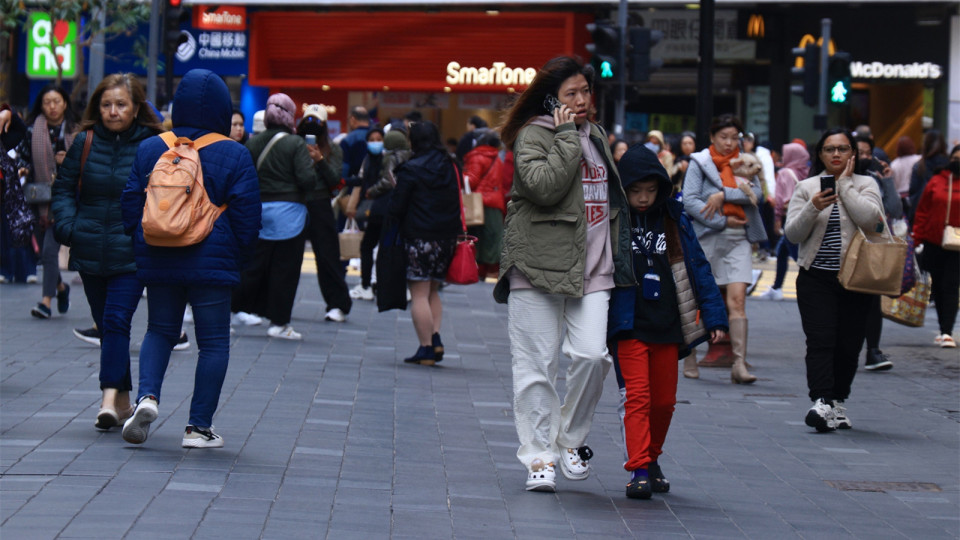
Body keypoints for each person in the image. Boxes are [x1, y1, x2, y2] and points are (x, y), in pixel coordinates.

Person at [495, 56, 634, 493]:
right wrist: (566, 137)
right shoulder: (534, 134)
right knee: (536, 366)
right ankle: (539, 456)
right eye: (571, 93)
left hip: (593, 267)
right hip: (537, 264)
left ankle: (569, 438)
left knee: (593, 356)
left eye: (585, 91)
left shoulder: (597, 135)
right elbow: (543, 187)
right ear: (552, 99)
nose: (581, 100)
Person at [119, 69, 261, 448]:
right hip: (212, 262)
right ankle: (198, 428)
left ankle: (147, 397)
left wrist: (141, 243)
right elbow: (248, 217)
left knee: (159, 330)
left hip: (159, 256)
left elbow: (130, 203)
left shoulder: (151, 148)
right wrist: (239, 257)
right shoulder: (235, 153)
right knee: (213, 342)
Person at [608, 144, 727, 499]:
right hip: (628, 324)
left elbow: (699, 267)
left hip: (669, 325)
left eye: (650, 190)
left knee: (663, 402)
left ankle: (652, 459)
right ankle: (639, 469)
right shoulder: (613, 220)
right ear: (623, 189)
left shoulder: (674, 218)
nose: (643, 198)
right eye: (635, 190)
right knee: (637, 398)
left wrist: (715, 317)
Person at [50, 73, 162, 430]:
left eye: (121, 105)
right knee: (108, 324)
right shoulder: (85, 142)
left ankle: (108, 399)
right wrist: (69, 227)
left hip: (131, 251)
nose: (113, 111)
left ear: (136, 108)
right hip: (89, 247)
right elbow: (63, 190)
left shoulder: (153, 145)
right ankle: (125, 402)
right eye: (106, 105)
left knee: (115, 321)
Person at [785, 128, 885, 432]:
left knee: (849, 344)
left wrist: (845, 186)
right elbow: (793, 234)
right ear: (820, 154)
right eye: (830, 149)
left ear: (853, 153)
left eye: (843, 148)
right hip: (816, 278)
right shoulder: (806, 187)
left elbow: (873, 222)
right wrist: (813, 207)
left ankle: (838, 401)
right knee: (820, 340)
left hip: (857, 279)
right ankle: (821, 401)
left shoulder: (866, 184)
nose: (837, 154)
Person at [682, 114, 766, 384]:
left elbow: (757, 194)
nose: (729, 143)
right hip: (706, 238)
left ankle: (738, 363)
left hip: (739, 239)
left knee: (738, 301)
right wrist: (721, 219)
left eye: (734, 138)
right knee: (699, 299)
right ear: (712, 137)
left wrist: (723, 195)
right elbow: (690, 201)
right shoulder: (700, 162)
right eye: (723, 137)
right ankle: (691, 355)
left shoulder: (745, 161)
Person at [232, 93, 319, 340]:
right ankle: (279, 322)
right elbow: (307, 180)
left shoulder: (253, 143)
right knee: (285, 271)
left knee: (252, 267)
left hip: (258, 213)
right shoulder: (295, 144)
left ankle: (231, 308)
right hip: (290, 215)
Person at [387, 121, 460, 365]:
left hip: (419, 237)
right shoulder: (449, 164)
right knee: (433, 290)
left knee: (419, 293)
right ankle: (435, 337)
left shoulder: (411, 169)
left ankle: (426, 347)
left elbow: (397, 207)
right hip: (447, 238)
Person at [18, 85, 78, 318]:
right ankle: (61, 288)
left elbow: (87, 163)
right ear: (41, 105)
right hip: (40, 200)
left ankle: (46, 302)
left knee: (50, 251)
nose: (52, 107)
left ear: (65, 103)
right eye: (47, 102)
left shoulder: (76, 131)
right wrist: (24, 168)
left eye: (56, 101)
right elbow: (23, 156)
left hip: (66, 199)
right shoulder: (32, 130)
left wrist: (68, 160)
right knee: (45, 253)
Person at [297, 103, 352, 322]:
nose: (312, 126)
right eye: (308, 121)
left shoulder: (333, 149)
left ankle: (338, 304)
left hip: (320, 203)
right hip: (296, 202)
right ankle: (276, 307)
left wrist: (319, 159)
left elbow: (335, 180)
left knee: (328, 257)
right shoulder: (294, 145)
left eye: (317, 122)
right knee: (286, 257)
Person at [855, 135, 902, 371]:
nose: (864, 157)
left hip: (872, 247)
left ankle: (873, 350)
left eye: (867, 153)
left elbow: (895, 210)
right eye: (859, 153)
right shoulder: (836, 178)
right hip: (843, 248)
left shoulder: (876, 179)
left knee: (873, 300)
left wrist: (889, 181)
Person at [912, 144, 960, 348]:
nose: (957, 162)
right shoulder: (936, 181)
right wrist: (917, 238)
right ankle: (943, 329)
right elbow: (923, 210)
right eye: (955, 158)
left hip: (957, 245)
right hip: (934, 242)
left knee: (950, 285)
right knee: (938, 286)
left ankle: (947, 331)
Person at [759, 142, 809, 301]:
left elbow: (783, 200)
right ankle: (776, 287)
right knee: (782, 252)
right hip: (804, 218)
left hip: (790, 219)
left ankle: (813, 284)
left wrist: (777, 219)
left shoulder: (785, 173)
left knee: (798, 256)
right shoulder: (805, 172)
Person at [344, 127, 385, 299]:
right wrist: (345, 182)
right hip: (373, 210)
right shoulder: (367, 160)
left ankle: (369, 284)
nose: (375, 143)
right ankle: (372, 283)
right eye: (372, 140)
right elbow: (360, 182)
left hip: (383, 209)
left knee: (371, 246)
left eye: (379, 139)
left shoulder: (387, 160)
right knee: (372, 247)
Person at [463, 130, 507, 279]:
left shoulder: (477, 157)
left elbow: (471, 180)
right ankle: (491, 271)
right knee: (492, 237)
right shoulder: (496, 157)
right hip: (494, 201)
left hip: (478, 202)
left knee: (478, 237)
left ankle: (478, 270)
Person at [909, 130, 948, 221]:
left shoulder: (919, 166)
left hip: (923, 213)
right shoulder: (950, 165)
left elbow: (913, 191)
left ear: (925, 145)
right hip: (945, 212)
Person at [890, 136, 921, 213]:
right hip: (916, 196)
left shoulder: (894, 164)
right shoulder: (919, 159)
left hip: (901, 199)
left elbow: (894, 184)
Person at [340, 106, 371, 180]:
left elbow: (344, 168)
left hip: (353, 183)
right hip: (374, 184)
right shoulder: (379, 136)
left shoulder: (348, 140)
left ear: (352, 119)